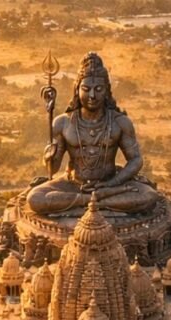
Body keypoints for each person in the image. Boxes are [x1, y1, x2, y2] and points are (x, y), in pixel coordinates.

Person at [27, 52, 160, 216]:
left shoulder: (120, 122)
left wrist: (112, 183)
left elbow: (136, 159)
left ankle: (88, 200)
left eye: (98, 89)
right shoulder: (63, 123)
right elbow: (52, 170)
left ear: (106, 91)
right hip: (74, 183)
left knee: (148, 195)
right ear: (77, 90)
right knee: (36, 199)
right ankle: (94, 201)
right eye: (86, 89)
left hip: (109, 183)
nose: (92, 95)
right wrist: (49, 157)